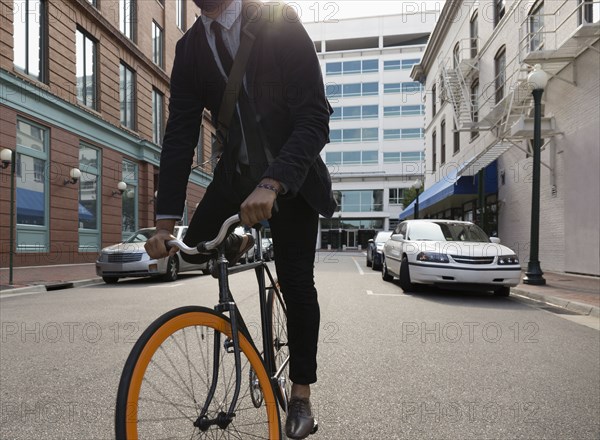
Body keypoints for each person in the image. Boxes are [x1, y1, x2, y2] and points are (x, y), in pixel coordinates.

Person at [144, 1, 336, 438]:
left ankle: (301, 395)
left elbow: (314, 117)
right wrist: (163, 225)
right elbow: (179, 135)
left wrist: (273, 183)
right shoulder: (190, 48)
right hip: (236, 177)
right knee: (193, 248)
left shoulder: (278, 20)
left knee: (297, 280)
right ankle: (238, 241)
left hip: (293, 176)